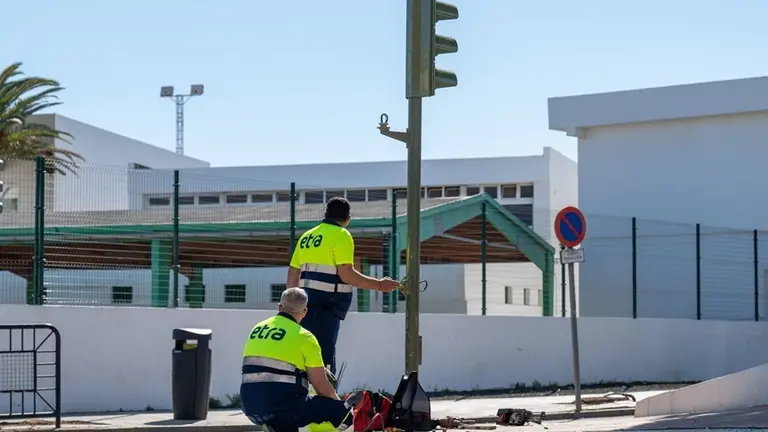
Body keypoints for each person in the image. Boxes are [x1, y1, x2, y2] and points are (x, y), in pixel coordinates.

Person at [287, 197, 400, 375]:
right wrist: (379, 285)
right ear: (348, 219)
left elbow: (293, 272)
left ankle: (307, 398)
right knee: (322, 362)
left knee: (303, 357)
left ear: (325, 214)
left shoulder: (307, 236)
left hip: (303, 308)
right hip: (326, 307)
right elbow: (346, 274)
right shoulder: (341, 235)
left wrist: (290, 307)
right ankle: (323, 400)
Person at [240, 287, 360, 432]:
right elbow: (321, 386)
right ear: (305, 311)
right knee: (340, 414)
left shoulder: (257, 329)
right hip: (284, 407)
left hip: (250, 406)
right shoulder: (305, 337)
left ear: (279, 307)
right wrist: (340, 407)